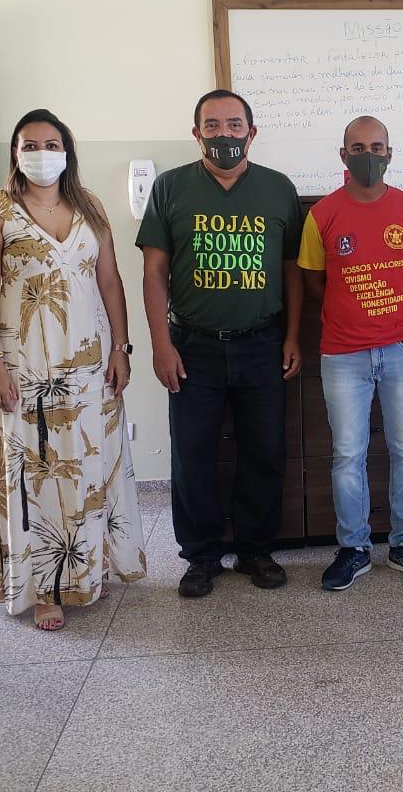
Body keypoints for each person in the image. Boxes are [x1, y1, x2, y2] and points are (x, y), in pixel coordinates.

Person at [0, 108, 146, 631]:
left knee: (87, 464)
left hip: (88, 364)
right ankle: (45, 589)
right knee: (37, 472)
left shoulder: (89, 207)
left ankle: (88, 570)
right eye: (30, 144)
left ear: (66, 151)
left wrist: (122, 348)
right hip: (23, 368)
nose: (40, 154)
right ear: (14, 152)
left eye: (51, 144)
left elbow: (111, 281)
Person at [137, 88, 303, 598]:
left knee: (265, 451)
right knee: (192, 455)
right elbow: (154, 271)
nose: (224, 134)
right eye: (213, 125)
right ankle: (201, 556)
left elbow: (292, 269)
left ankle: (256, 549)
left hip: (261, 343)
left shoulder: (278, 189)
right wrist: (160, 345)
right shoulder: (170, 188)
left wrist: (293, 334)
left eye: (235, 125)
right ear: (196, 134)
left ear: (252, 133)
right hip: (193, 346)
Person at [298, 116, 403, 590]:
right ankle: (354, 547)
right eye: (357, 147)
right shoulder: (321, 215)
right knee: (347, 455)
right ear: (342, 156)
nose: (368, 155)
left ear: (390, 152)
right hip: (343, 353)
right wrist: (354, 315)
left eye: (377, 146)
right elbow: (315, 282)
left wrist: (390, 318)